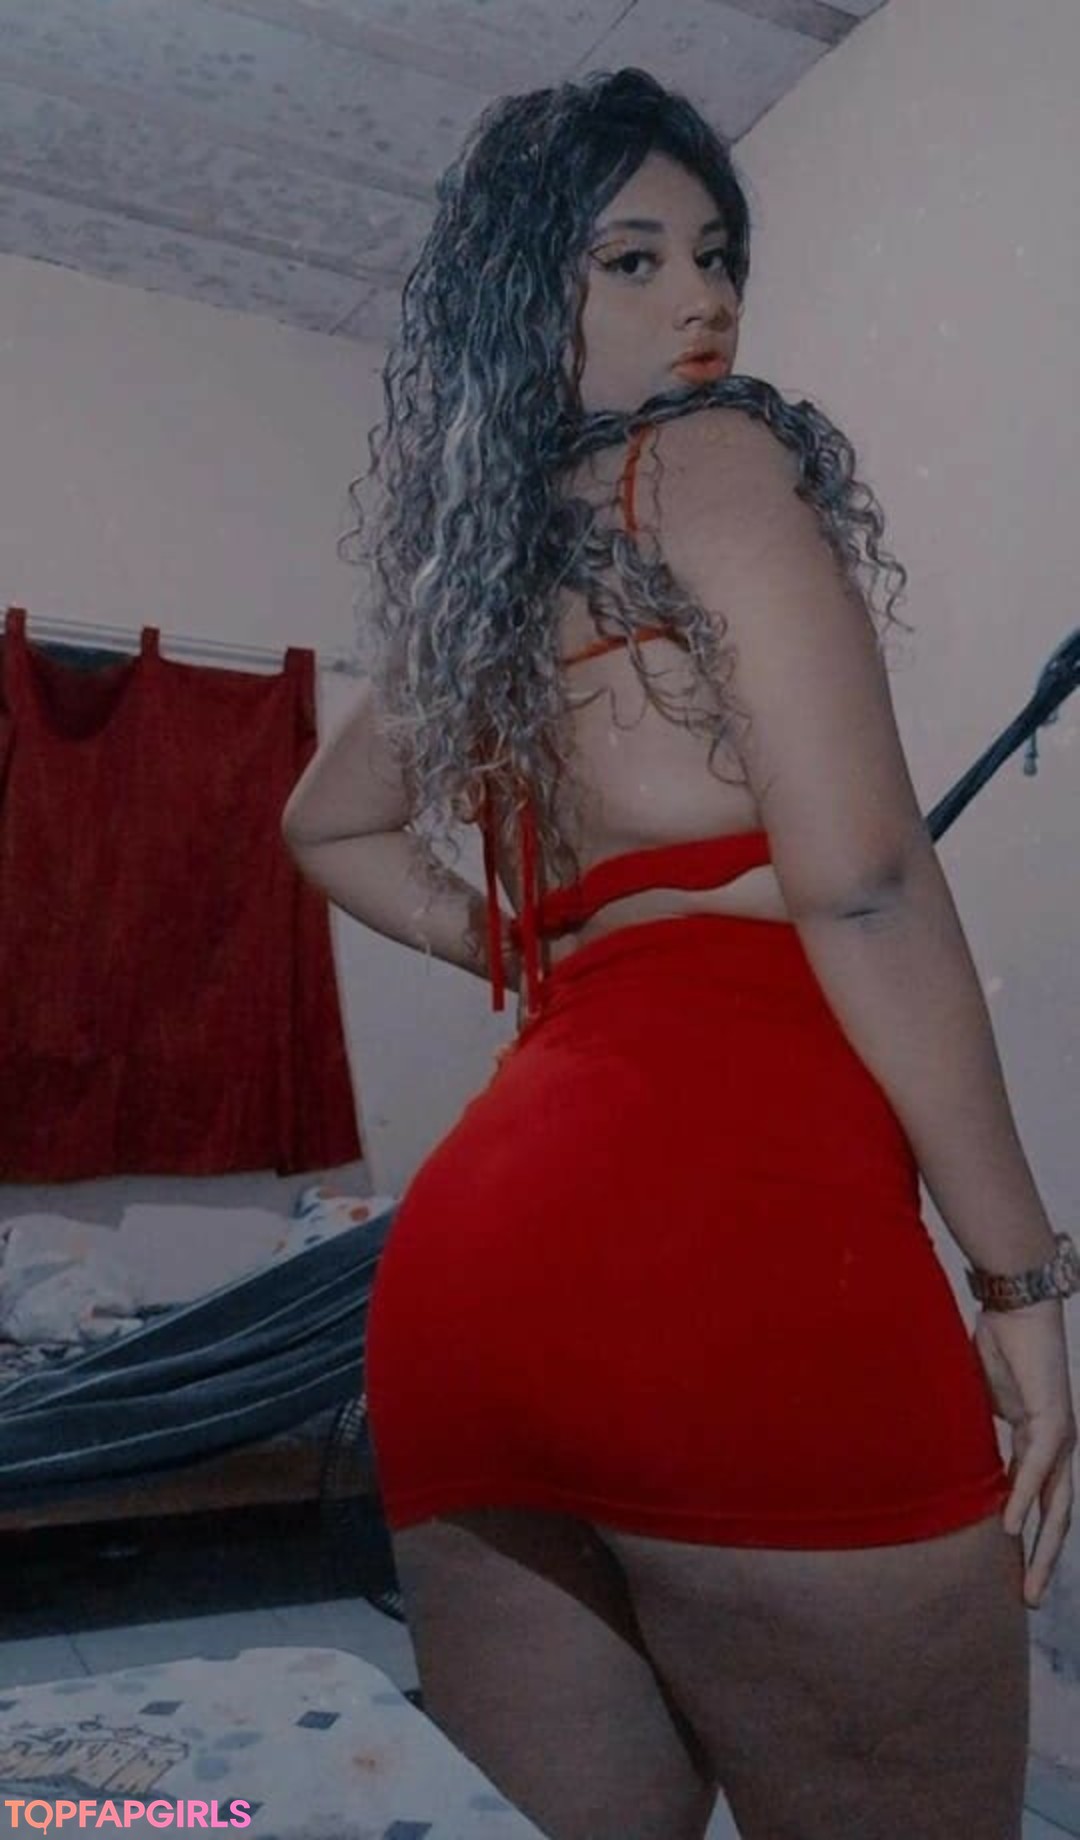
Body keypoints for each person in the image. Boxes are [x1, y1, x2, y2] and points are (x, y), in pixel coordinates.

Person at [282, 68, 1077, 1840]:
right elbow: (866, 885)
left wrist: (532, 960)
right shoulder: (712, 457)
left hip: (476, 1280)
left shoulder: (492, 575)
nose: (702, 299)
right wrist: (1025, 1288)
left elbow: (325, 826)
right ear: (530, 300)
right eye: (631, 260)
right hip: (737, 1257)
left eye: (717, 255)